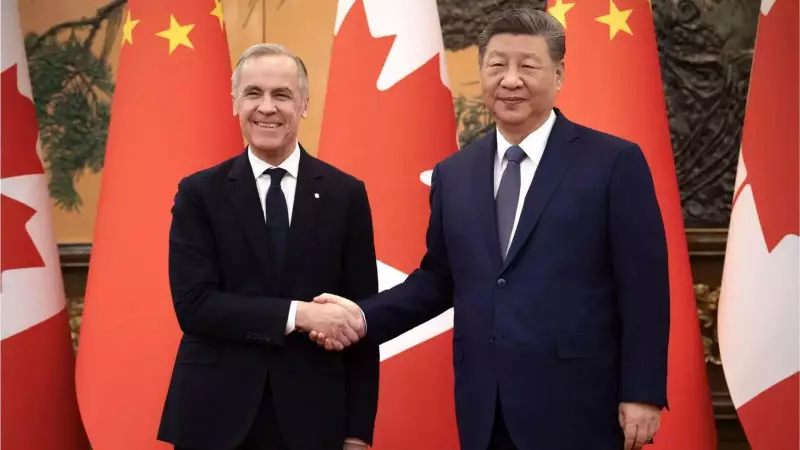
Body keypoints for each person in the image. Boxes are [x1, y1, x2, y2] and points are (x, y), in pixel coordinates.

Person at [310, 8, 670, 450]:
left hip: (580, 404)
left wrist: (642, 392)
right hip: (487, 405)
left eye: (528, 66)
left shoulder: (613, 162)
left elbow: (644, 287)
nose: (510, 80)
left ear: (558, 75)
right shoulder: (454, 173)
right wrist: (361, 317)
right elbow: (439, 279)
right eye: (497, 65)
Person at [157, 43, 378, 450]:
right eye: (253, 93)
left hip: (314, 418)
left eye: (282, 95)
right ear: (235, 103)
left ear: (304, 104)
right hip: (214, 417)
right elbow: (194, 305)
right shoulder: (199, 193)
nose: (266, 108)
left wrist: (358, 432)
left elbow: (361, 319)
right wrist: (299, 315)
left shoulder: (345, 194)